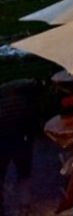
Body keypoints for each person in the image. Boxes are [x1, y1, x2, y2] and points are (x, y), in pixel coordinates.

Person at [0, 80, 39, 214]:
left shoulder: (2, 104)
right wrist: (30, 140)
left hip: (2, 143)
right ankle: (25, 205)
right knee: (24, 175)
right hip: (21, 142)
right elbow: (31, 123)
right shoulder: (24, 102)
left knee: (1, 175)